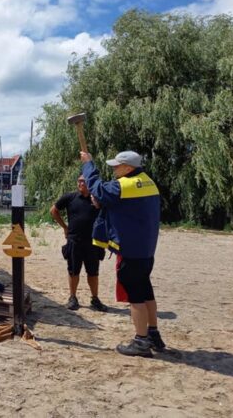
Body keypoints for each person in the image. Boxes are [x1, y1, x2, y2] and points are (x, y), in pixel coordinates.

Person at [81, 150, 165, 357]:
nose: (114, 170)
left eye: (117, 166)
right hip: (146, 249)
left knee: (135, 297)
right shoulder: (149, 182)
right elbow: (125, 206)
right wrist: (103, 202)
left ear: (128, 168)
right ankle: (153, 333)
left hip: (131, 250)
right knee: (146, 292)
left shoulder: (124, 186)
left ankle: (141, 341)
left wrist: (88, 164)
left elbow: (99, 189)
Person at [50, 174, 108, 312]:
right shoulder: (70, 197)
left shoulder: (97, 199)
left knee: (93, 272)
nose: (81, 183)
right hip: (74, 241)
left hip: (93, 242)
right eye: (79, 181)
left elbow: (108, 214)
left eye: (84, 181)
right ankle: (72, 298)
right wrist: (65, 227)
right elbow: (53, 210)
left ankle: (95, 299)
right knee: (73, 271)